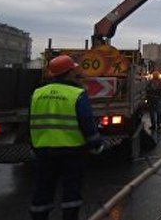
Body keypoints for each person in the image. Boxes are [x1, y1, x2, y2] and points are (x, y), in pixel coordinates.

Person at [29, 55, 103, 220]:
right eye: (73, 70)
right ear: (69, 72)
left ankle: (39, 215)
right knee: (71, 189)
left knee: (43, 188)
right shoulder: (76, 93)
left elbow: (31, 122)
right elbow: (86, 121)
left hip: (43, 151)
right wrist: (95, 144)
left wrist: (33, 145)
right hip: (72, 151)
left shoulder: (38, 93)